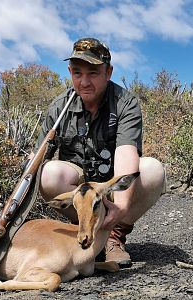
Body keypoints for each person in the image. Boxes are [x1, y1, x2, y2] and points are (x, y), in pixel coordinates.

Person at [29, 37, 166, 267]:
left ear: (108, 72)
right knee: (48, 173)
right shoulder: (59, 107)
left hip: (110, 190)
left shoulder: (125, 103)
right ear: (70, 71)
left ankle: (113, 237)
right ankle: (84, 232)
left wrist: (119, 209)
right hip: (80, 193)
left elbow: (125, 154)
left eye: (93, 73)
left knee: (152, 170)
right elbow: (37, 158)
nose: (84, 82)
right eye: (77, 73)